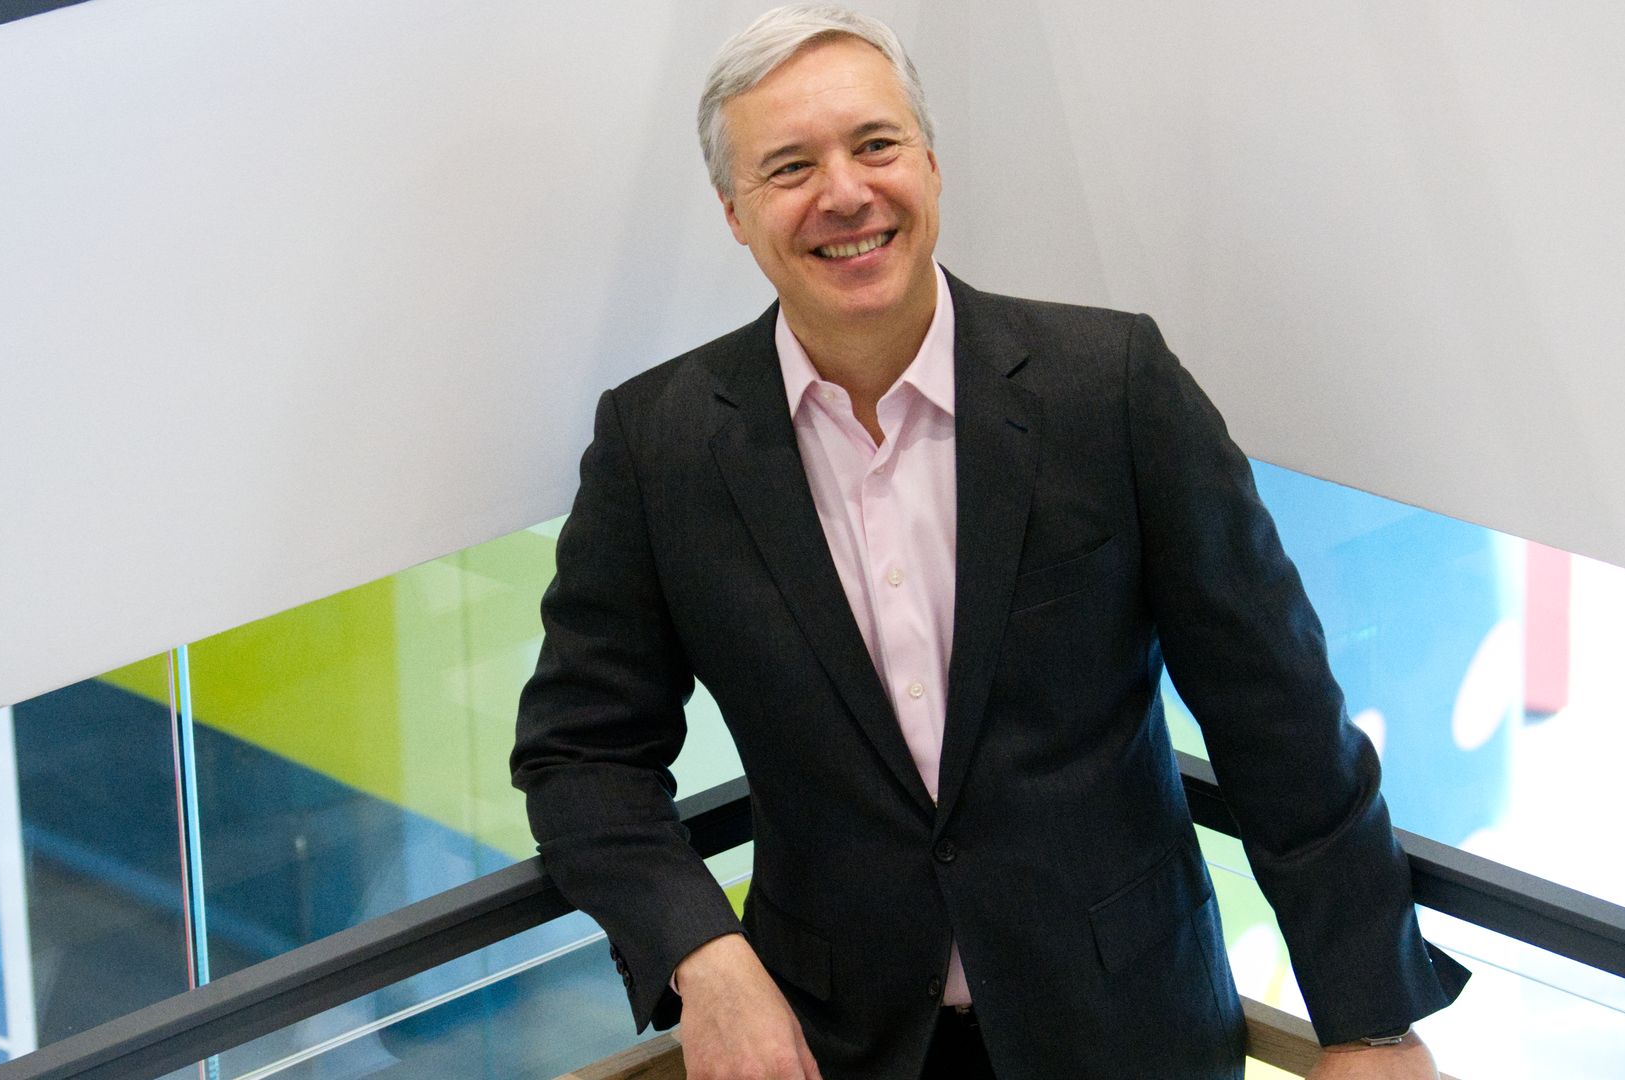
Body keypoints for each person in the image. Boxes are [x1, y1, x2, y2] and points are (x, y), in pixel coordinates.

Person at [510, 6, 1468, 1078]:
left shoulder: (1112, 388)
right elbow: (581, 753)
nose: (845, 192)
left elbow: (1278, 716)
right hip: (833, 1045)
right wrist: (702, 951)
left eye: (876, 144)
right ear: (734, 211)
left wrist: (1371, 1021)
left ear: (930, 161)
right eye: (789, 166)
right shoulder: (660, 444)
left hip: (1128, 1031)